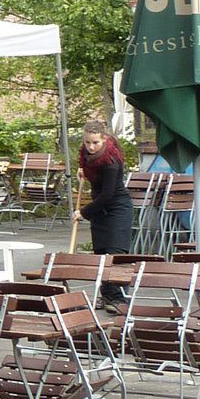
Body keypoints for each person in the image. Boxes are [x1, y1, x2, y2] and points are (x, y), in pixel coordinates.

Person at [77, 121, 135, 306]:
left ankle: (119, 298)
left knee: (115, 254)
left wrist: (83, 212)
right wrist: (83, 172)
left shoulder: (111, 160)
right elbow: (87, 166)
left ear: (104, 139)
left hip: (118, 208)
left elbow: (107, 195)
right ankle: (107, 296)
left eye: (95, 142)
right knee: (101, 252)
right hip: (100, 208)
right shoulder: (86, 154)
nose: (91, 147)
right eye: (87, 142)